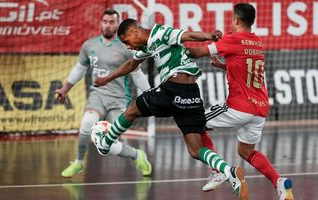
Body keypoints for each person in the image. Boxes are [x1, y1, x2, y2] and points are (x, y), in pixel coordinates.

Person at [93, 18, 249, 200]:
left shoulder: (161, 33)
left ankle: (105, 144)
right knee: (195, 150)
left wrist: (210, 36)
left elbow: (187, 35)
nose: (128, 46)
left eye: (127, 41)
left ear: (135, 32)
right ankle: (229, 171)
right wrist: (107, 79)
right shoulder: (147, 47)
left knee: (134, 108)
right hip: (191, 95)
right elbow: (131, 64)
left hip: (173, 89)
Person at [187, 3, 294, 200]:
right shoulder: (257, 43)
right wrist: (223, 66)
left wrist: (175, 43)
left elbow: (197, 52)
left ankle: (217, 170)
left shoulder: (233, 39)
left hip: (239, 107)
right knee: (246, 151)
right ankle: (279, 183)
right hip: (260, 109)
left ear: (236, 20)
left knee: (193, 121)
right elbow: (246, 71)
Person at [56, 9, 152, 178]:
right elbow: (80, 69)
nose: (107, 26)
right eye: (105, 22)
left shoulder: (126, 47)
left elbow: (137, 74)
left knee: (107, 145)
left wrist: (151, 94)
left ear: (118, 24)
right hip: (98, 96)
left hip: (119, 99)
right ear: (101, 23)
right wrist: (65, 88)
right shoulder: (89, 45)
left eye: (112, 22)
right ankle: (78, 163)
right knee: (87, 123)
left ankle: (137, 155)